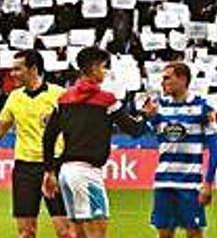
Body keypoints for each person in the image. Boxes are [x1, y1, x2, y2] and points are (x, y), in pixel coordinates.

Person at [40, 47, 149, 238]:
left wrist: (49, 171)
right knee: (97, 233)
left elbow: (48, 137)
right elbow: (134, 129)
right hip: (87, 174)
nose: (106, 72)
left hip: (66, 172)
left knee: (79, 234)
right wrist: (146, 115)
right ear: (94, 68)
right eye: (104, 67)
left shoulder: (64, 98)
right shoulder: (106, 99)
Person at [0, 49, 75, 238]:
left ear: (33, 69)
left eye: (17, 69)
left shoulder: (60, 95)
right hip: (24, 169)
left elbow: (74, 132)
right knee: (26, 233)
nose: (12, 74)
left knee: (66, 233)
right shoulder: (14, 97)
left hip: (55, 167)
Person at [143, 62, 217, 238]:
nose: (163, 82)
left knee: (194, 234)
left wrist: (207, 183)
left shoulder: (203, 109)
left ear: (183, 79)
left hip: (190, 185)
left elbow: (214, 151)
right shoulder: (159, 107)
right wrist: (152, 118)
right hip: (163, 183)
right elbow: (157, 137)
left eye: (167, 78)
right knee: (164, 235)